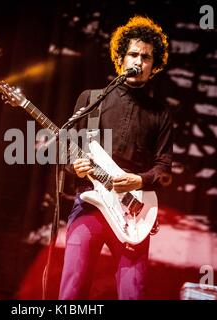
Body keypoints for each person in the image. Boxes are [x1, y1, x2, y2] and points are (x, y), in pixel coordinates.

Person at [59, 15, 172, 300]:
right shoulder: (91, 99)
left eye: (146, 57)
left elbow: (164, 168)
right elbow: (65, 147)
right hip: (90, 204)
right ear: (120, 58)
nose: (139, 60)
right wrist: (74, 166)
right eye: (133, 54)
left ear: (154, 66)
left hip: (132, 213)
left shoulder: (160, 114)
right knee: (72, 290)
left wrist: (139, 179)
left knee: (132, 292)